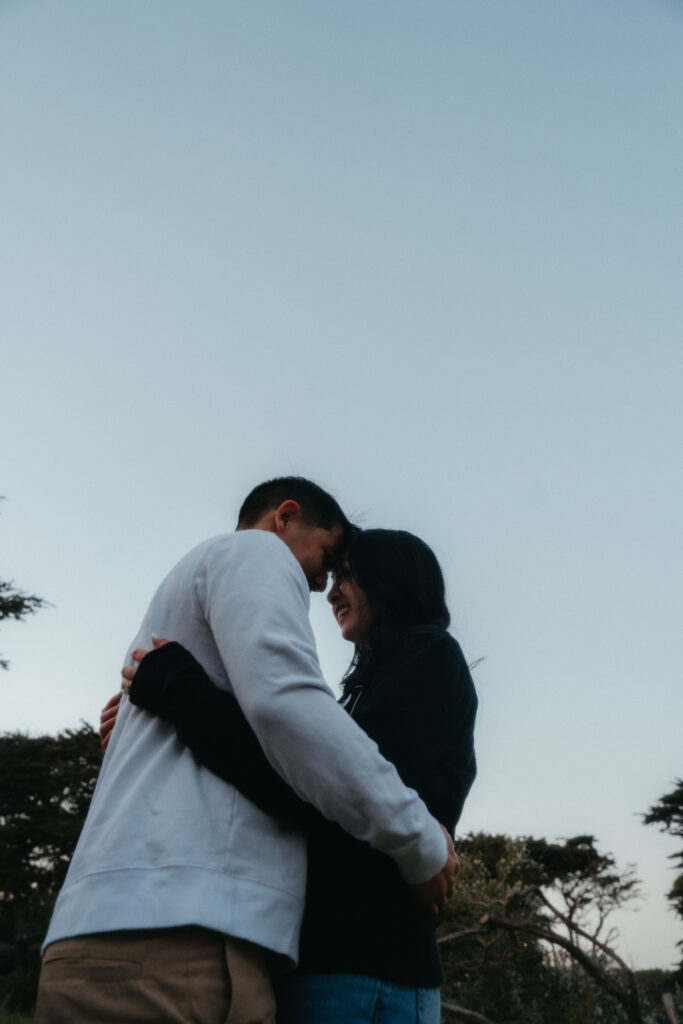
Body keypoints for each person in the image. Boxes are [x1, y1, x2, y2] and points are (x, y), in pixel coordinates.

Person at [36, 478, 456, 1024]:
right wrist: (422, 844)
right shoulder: (255, 550)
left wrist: (173, 699)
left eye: (346, 574)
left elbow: (290, 737)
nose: (322, 583)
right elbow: (291, 717)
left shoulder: (421, 660)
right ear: (285, 518)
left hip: (162, 933)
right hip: (177, 943)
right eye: (327, 558)